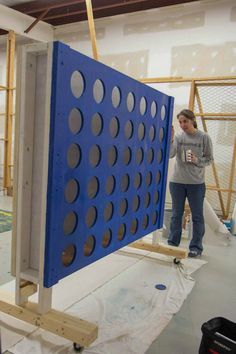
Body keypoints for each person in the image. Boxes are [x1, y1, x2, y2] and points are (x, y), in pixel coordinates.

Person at [167, 109, 213, 257]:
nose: (182, 125)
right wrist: (171, 138)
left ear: (192, 120)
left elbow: (210, 159)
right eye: (180, 122)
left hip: (196, 184)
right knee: (176, 215)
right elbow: (170, 155)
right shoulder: (179, 137)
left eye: (185, 121)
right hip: (177, 182)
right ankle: (173, 244)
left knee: (197, 216)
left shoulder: (204, 137)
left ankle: (196, 248)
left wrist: (197, 160)